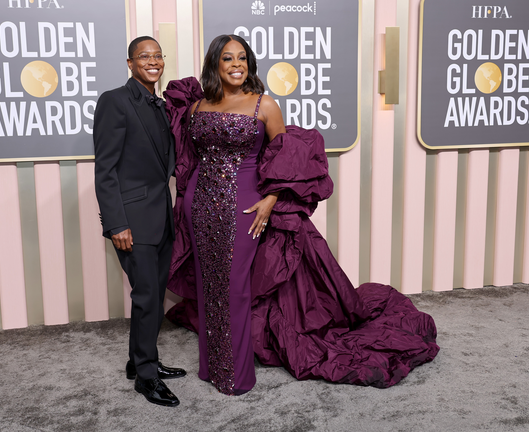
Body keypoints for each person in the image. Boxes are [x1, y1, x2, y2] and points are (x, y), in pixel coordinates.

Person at [163, 35, 441, 396]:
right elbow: (191, 156)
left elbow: (287, 158)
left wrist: (271, 199)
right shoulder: (198, 106)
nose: (236, 65)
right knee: (208, 285)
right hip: (199, 205)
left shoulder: (265, 106)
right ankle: (210, 367)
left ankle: (236, 375)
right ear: (215, 63)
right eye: (228, 58)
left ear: (250, 64)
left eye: (242, 58)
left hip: (245, 205)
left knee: (234, 288)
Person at [93, 36, 186, 407]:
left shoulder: (161, 107)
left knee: (152, 295)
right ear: (130, 63)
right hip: (131, 220)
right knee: (147, 297)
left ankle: (139, 360)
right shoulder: (115, 101)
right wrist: (116, 224)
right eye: (144, 56)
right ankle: (146, 378)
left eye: (157, 55)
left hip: (161, 217)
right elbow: (106, 170)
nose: (153, 61)